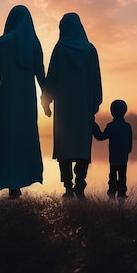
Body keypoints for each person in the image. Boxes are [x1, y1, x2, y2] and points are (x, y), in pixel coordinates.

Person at [0, 5, 46, 197]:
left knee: (8, 137)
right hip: (27, 100)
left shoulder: (2, 41)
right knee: (23, 137)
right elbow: (40, 74)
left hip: (7, 98)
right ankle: (19, 182)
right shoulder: (34, 43)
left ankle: (11, 182)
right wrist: (47, 98)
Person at [41, 12, 102, 199]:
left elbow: (51, 77)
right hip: (83, 108)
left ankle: (68, 187)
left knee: (65, 146)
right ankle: (80, 185)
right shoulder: (91, 51)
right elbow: (96, 81)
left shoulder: (59, 49)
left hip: (64, 110)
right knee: (82, 147)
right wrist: (94, 104)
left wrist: (46, 102)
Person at [93, 99, 133, 199]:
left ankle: (111, 192)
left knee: (113, 175)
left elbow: (100, 137)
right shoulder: (127, 126)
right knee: (123, 175)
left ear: (112, 112)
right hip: (124, 157)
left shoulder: (111, 126)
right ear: (125, 111)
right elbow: (130, 144)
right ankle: (122, 193)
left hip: (114, 157)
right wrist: (127, 151)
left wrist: (93, 125)